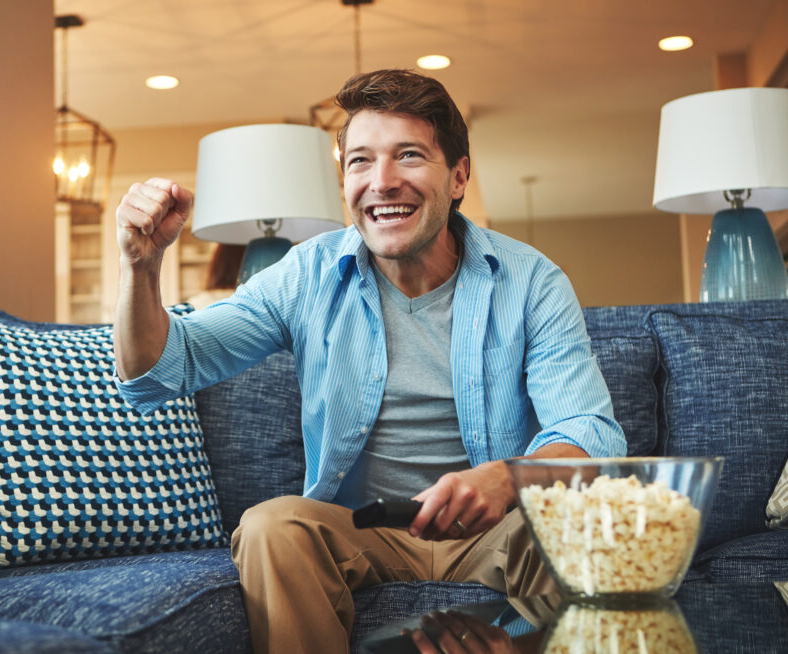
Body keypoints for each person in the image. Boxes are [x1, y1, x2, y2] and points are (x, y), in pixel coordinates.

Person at [113, 69, 625, 654]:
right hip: (362, 529)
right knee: (271, 525)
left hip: (495, 533)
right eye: (360, 161)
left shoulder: (531, 279)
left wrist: (507, 477)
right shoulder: (307, 273)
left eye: (408, 156)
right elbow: (160, 371)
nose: (382, 182)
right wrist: (141, 267)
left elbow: (590, 431)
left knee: (571, 521)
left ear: (458, 177)